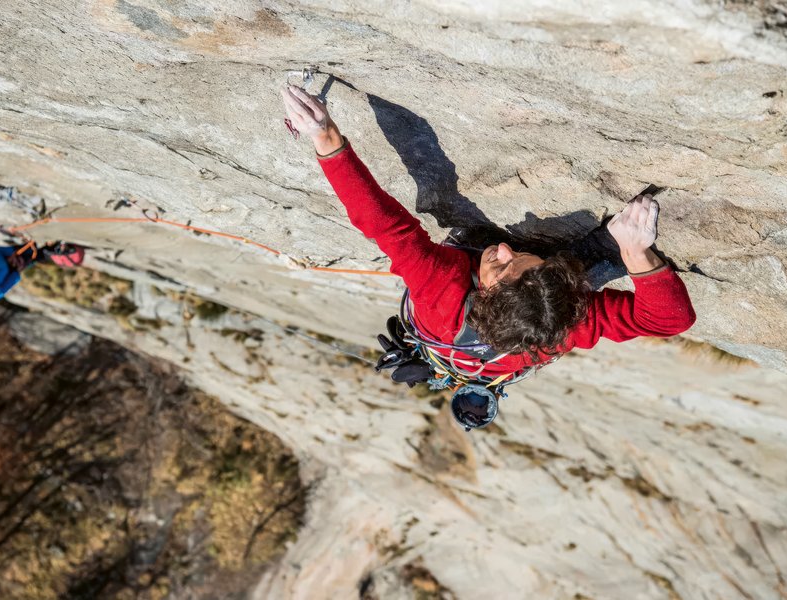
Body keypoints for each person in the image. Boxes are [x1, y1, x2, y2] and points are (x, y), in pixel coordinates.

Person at [281, 85, 696, 424]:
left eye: (504, 264)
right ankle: (600, 249)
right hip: (544, 300)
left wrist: (326, 138)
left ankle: (586, 253)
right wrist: (637, 254)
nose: (504, 248)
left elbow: (383, 224)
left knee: (513, 243)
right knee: (610, 250)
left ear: (483, 292)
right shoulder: (565, 325)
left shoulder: (440, 291)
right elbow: (670, 319)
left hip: (462, 296)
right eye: (509, 259)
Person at [0, 241, 85, 301]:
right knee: (42, 254)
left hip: (9, 253)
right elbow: (8, 283)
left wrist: (11, 252)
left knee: (36, 248)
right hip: (15, 265)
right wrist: (17, 269)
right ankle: (63, 250)